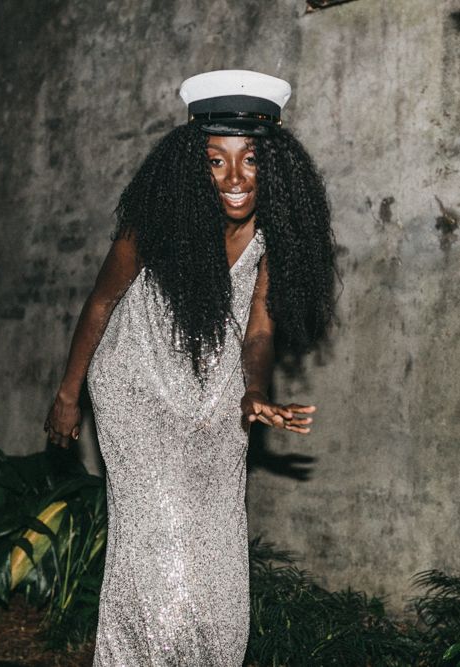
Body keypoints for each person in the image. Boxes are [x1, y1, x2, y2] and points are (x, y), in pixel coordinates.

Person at [44, 70, 336, 665]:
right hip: (135, 383)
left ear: (272, 166)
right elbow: (100, 303)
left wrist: (255, 390)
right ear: (191, 164)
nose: (234, 178)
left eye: (249, 160)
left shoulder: (272, 234)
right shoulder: (155, 220)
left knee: (216, 542)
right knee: (159, 537)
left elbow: (259, 327)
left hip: (217, 390)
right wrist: (69, 395)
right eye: (216, 161)